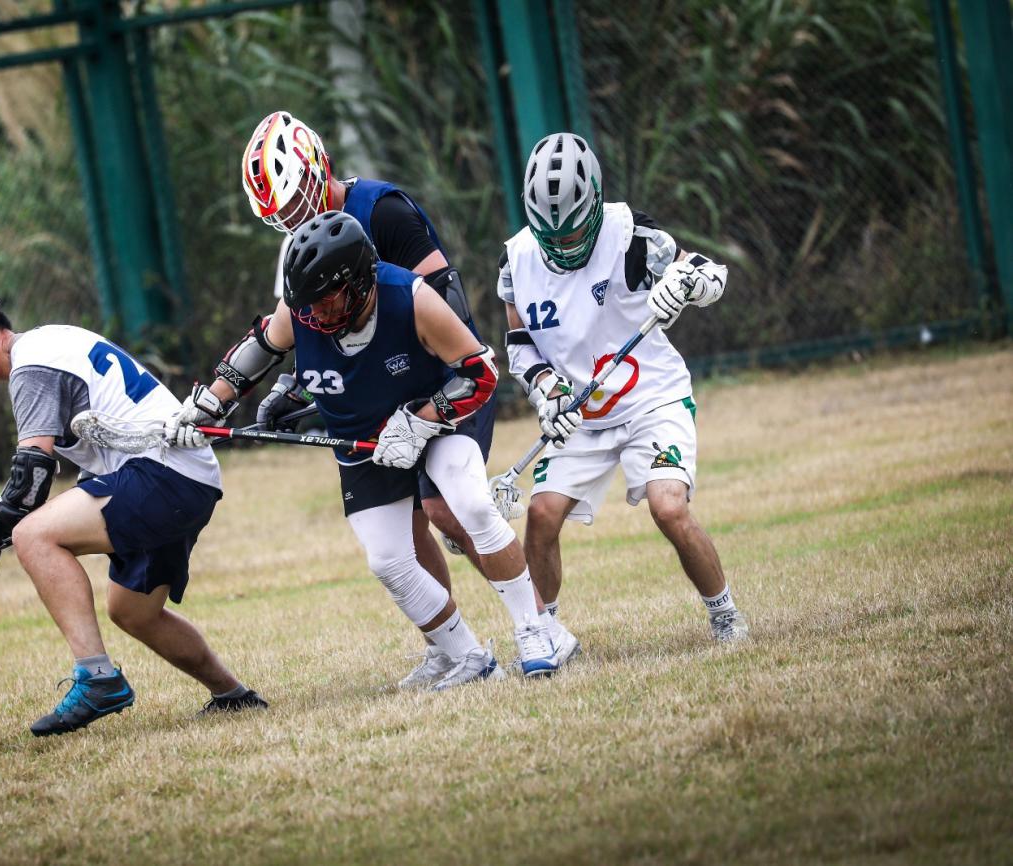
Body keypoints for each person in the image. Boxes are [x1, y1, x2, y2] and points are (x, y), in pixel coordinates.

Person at [240, 111, 576, 681]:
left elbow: (442, 299)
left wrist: (424, 406)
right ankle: (450, 648)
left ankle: (540, 624)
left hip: (439, 375)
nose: (294, 219)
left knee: (449, 505)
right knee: (404, 531)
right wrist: (294, 384)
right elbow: (302, 326)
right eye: (281, 215)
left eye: (296, 202)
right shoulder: (299, 243)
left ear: (319, 168)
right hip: (377, 391)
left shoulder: (383, 211)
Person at [167, 211, 568, 688]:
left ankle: (534, 631)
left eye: (324, 301)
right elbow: (258, 351)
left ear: (358, 283)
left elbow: (480, 373)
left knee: (472, 504)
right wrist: (209, 405)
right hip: (363, 437)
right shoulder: (302, 310)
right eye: (304, 304)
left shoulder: (412, 300)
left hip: (436, 418)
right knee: (387, 560)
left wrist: (420, 421)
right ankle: (468, 659)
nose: (313, 315)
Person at [0, 272, 267, 737]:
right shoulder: (45, 346)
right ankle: (232, 695)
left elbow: (31, 481)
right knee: (133, 612)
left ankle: (98, 679)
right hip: (187, 478)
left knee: (32, 536)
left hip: (165, 475)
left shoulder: (30, 365)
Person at [499, 133, 750, 643]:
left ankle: (725, 614)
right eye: (551, 235)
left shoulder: (633, 236)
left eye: (573, 232)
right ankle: (544, 634)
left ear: (594, 204)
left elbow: (709, 273)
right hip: (579, 413)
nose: (563, 245)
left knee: (668, 507)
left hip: (650, 398)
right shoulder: (516, 261)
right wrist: (547, 392)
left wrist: (688, 285)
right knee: (541, 516)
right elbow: (521, 347)